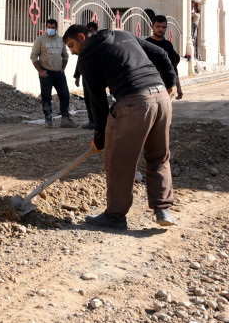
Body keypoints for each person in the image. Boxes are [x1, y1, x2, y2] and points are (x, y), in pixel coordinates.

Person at [63, 23, 177, 231]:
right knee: (159, 156)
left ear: (82, 37)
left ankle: (115, 216)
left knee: (119, 160)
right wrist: (170, 83)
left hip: (134, 104)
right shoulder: (124, 34)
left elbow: (97, 101)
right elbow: (161, 53)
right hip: (162, 99)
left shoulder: (87, 55)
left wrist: (100, 138)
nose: (72, 52)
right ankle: (163, 209)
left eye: (71, 45)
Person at [31, 18, 75, 128]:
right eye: (49, 27)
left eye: (53, 28)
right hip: (46, 73)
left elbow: (65, 56)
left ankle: (65, 118)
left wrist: (63, 68)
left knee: (64, 95)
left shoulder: (60, 40)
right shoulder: (40, 40)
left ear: (56, 28)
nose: (51, 29)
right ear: (46, 27)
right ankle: (48, 119)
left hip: (59, 73)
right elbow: (33, 56)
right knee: (46, 97)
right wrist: (40, 71)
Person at [145, 15, 184, 100]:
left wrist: (179, 88)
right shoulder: (145, 44)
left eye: (163, 27)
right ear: (152, 27)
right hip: (149, 87)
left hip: (166, 87)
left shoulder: (168, 45)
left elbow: (174, 67)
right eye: (158, 26)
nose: (160, 29)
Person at [73, 21, 101, 129]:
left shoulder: (100, 43)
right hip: (86, 76)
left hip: (98, 76)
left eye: (92, 30)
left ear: (95, 31)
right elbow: (80, 61)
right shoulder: (84, 44)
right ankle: (92, 121)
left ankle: (100, 121)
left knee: (98, 99)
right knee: (88, 99)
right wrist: (77, 76)